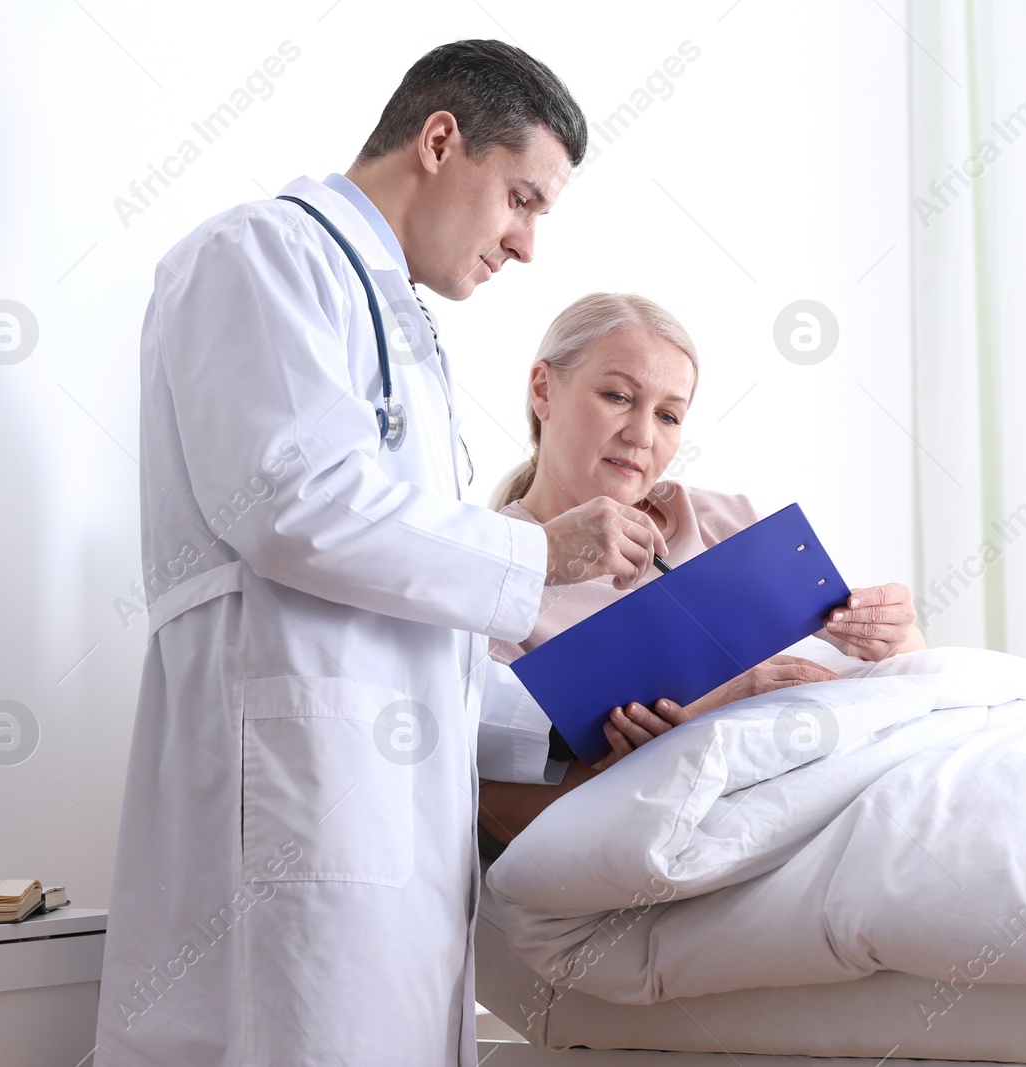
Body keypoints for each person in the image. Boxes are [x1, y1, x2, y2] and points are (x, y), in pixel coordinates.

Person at [96, 43, 671, 1067]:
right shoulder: (262, 254)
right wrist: (537, 553)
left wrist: (562, 732)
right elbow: (292, 506)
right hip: (294, 793)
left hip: (371, 802)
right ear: (441, 140)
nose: (528, 244)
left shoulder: (397, 320)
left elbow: (412, 621)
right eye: (521, 198)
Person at [476, 293, 925, 852]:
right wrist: (667, 749)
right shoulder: (492, 574)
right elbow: (486, 816)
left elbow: (906, 668)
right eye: (618, 396)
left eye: (668, 415)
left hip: (867, 765)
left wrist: (892, 633)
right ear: (543, 390)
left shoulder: (720, 521)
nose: (642, 435)